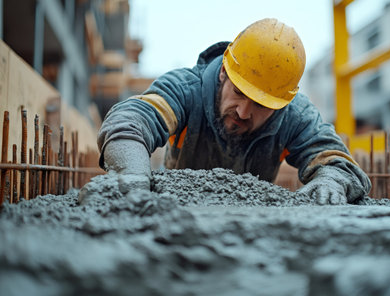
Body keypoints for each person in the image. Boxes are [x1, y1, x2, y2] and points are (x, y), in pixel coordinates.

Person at [88, 18, 371, 204]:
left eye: (262, 105)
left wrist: (332, 180)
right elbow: (130, 121)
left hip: (251, 226)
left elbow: (337, 162)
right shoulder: (187, 89)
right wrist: (133, 180)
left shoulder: (294, 115)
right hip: (175, 214)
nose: (244, 112)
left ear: (282, 103)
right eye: (239, 93)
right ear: (224, 72)